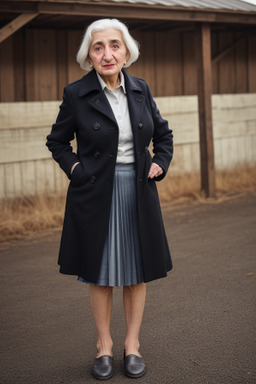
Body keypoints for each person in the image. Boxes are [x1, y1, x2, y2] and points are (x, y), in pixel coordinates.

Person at [46, 18, 173, 380]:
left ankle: (132, 345)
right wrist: (75, 169)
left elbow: (163, 135)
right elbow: (57, 141)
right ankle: (104, 346)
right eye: (98, 46)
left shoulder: (141, 89)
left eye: (114, 45)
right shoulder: (76, 93)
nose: (107, 53)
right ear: (89, 54)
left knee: (136, 272)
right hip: (94, 192)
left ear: (126, 51)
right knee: (99, 273)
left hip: (137, 192)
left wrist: (160, 163)